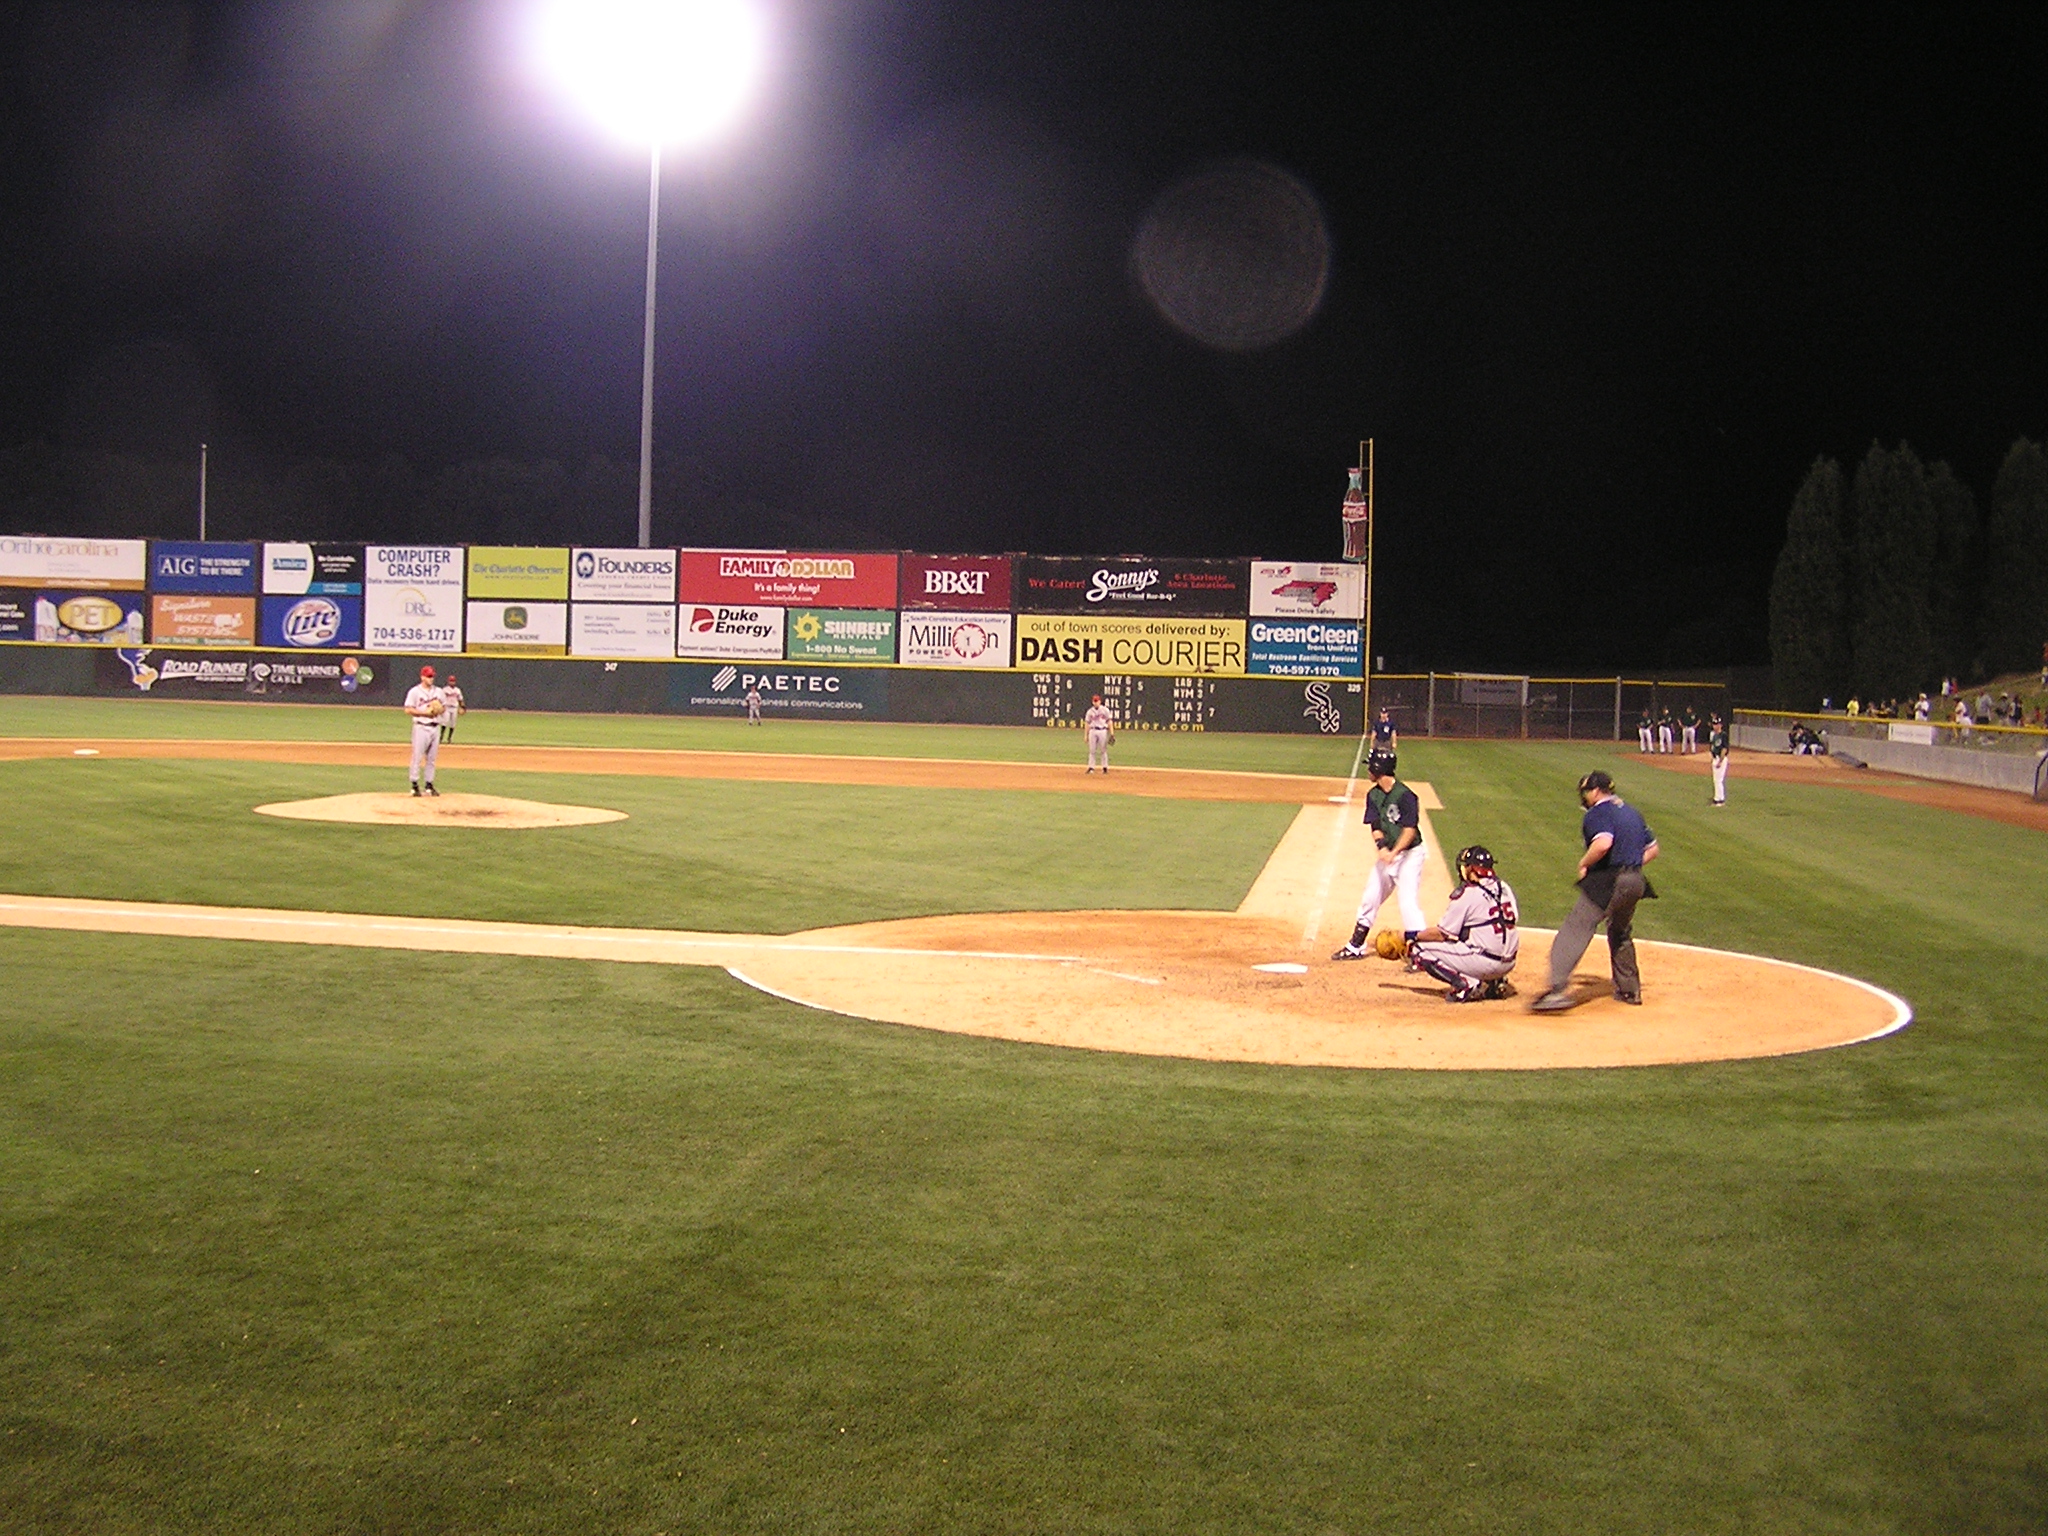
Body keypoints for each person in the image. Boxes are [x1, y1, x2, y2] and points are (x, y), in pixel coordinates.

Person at [1532, 771, 1658, 1011]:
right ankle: (1629, 990)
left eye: (1587, 791)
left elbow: (1603, 844)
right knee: (1620, 931)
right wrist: (1630, 865)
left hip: (1611, 881)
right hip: (1636, 880)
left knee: (1576, 927)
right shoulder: (1631, 812)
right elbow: (1653, 850)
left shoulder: (1598, 813)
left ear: (1597, 791)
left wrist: (1585, 863)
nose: (1585, 797)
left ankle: (1556, 991)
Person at [1331, 750, 1427, 960]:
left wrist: (1394, 852)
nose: (1368, 770)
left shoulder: (1406, 796)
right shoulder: (1373, 795)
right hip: (1389, 853)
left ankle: (1422, 954)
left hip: (1410, 854)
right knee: (1370, 896)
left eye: (1370, 766)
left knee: (1407, 901)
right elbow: (1375, 824)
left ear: (1378, 769)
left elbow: (1410, 830)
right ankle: (1356, 945)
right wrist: (1382, 847)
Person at [1407, 845, 1520, 1002]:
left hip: (1485, 962)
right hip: (1509, 963)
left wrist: (1411, 936)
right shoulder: (1504, 887)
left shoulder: (1468, 893)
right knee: (1477, 932)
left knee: (1419, 949)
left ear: (1472, 870)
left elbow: (1441, 934)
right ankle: (1494, 982)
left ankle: (1466, 984)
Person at [403, 665, 445, 797]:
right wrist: (424, 713)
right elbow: (408, 709)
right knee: (417, 757)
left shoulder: (439, 691)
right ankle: (414, 785)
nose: (431, 678)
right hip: (421, 727)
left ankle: (429, 784)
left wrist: (438, 710)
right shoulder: (414, 692)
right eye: (428, 676)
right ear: (422, 677)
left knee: (431, 759)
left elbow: (443, 708)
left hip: (435, 727)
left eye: (432, 676)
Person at [1083, 694, 1115, 773]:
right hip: (1093, 731)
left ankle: (1105, 767)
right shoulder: (1090, 711)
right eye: (1094, 701)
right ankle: (1091, 767)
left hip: (1102, 731)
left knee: (1103, 750)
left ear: (1100, 701)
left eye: (1097, 701)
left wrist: (1112, 733)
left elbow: (1109, 721)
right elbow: (1087, 724)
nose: (1095, 703)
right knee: (1092, 750)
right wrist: (1085, 735)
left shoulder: (1105, 710)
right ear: (1092, 702)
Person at [1708, 711, 1730, 805]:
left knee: (1719, 780)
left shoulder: (1723, 735)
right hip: (1715, 758)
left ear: (1720, 725)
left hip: (1721, 759)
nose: (1715, 726)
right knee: (1716, 780)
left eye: (1717, 724)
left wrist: (1720, 761)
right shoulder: (1714, 735)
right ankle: (1718, 798)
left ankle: (1719, 800)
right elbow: (1713, 747)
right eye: (1714, 724)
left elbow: (1724, 749)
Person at [438, 672, 464, 744]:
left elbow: (460, 699)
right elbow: (440, 699)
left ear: (455, 682)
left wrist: (463, 707)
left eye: (453, 681)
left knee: (453, 723)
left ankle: (449, 738)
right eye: (451, 681)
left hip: (454, 708)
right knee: (444, 722)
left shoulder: (457, 690)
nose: (452, 682)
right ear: (448, 681)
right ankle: (441, 737)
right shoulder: (445, 689)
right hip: (446, 707)